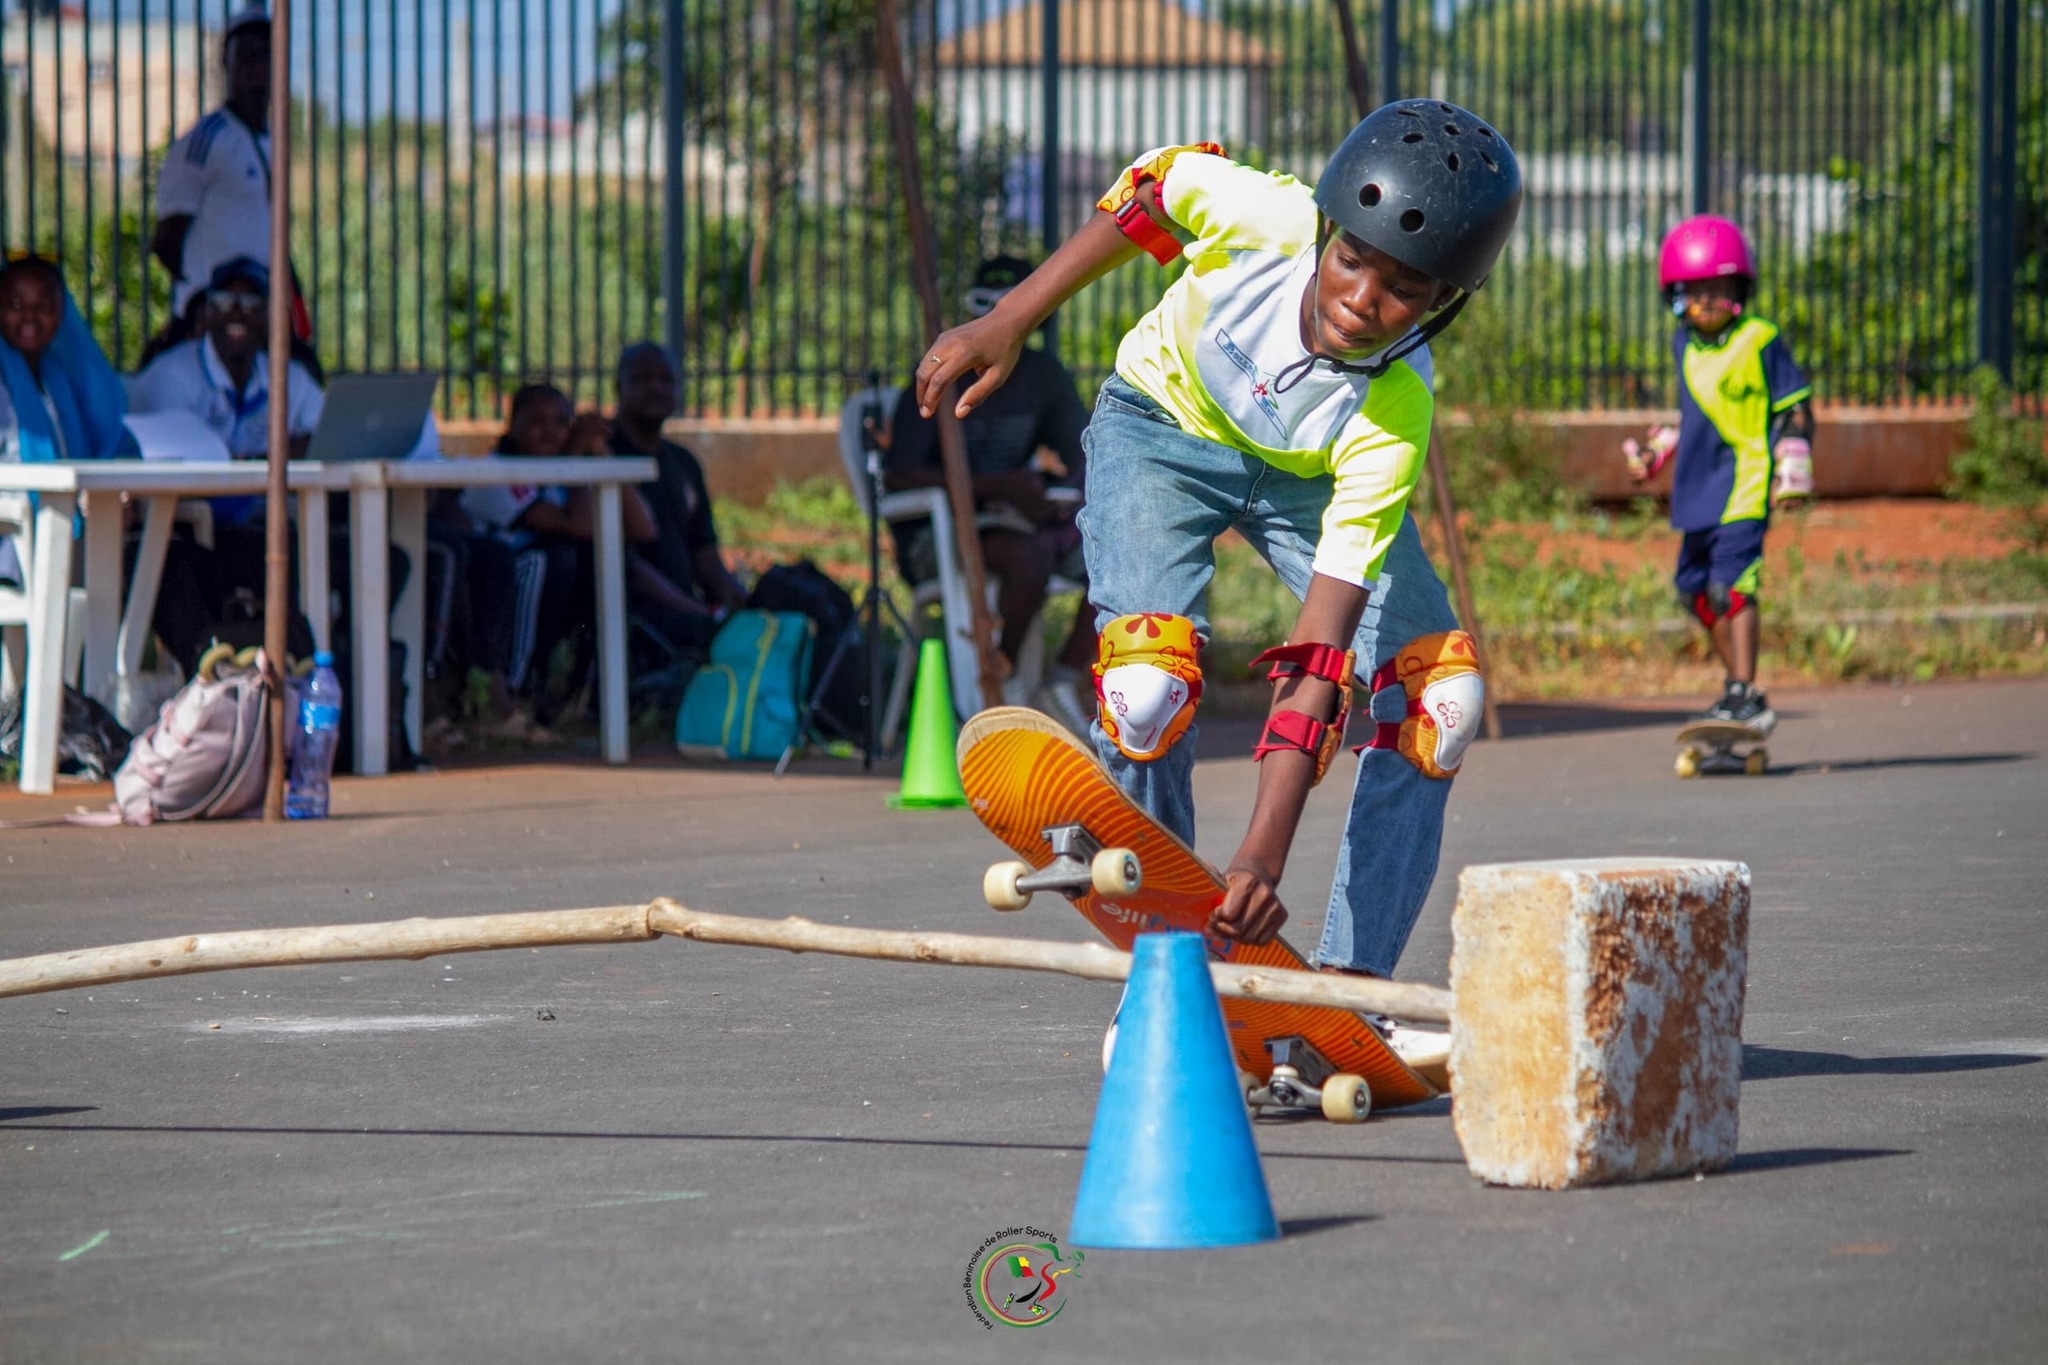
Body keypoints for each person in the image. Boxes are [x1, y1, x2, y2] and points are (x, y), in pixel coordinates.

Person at [913, 102, 1521, 981]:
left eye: (1405, 289)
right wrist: (1010, 318)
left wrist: (1261, 858)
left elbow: (1320, 658)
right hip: (1160, 428)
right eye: (1351, 259)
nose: (1361, 301)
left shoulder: (1394, 411)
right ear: (1324, 228)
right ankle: (1165, 954)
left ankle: (1348, 994)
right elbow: (1152, 191)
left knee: (1441, 699)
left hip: (1306, 478)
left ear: (1445, 303)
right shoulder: (1261, 218)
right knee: (1145, 686)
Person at [124, 256, 426, 673]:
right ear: (206, 309)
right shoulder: (172, 376)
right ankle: (286, 676)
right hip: (197, 535)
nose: (238, 311)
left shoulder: (289, 376)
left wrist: (281, 454)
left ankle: (342, 676)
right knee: (281, 563)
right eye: (226, 298)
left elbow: (327, 439)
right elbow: (178, 464)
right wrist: (280, 452)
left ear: (271, 316)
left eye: (252, 302)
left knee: (386, 559)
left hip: (272, 524)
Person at [882, 254, 1097, 735]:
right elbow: (899, 476)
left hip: (1019, 520)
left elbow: (1081, 450)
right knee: (1029, 558)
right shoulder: (941, 373)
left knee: (1112, 552)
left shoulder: (1043, 376)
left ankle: (1064, 678)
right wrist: (993, 488)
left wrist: (1065, 498)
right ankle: (1004, 675)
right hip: (943, 537)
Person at [1625, 214, 1814, 732]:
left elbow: (1795, 410)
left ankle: (1742, 692)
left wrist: (1793, 468)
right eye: (1695, 291)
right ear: (1676, 296)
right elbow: (1694, 418)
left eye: (1719, 289)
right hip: (1697, 490)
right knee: (1694, 592)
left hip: (1746, 484)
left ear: (1739, 289)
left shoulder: (1760, 339)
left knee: (1731, 588)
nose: (1706, 301)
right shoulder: (1682, 344)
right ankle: (1742, 693)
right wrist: (1656, 454)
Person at [144, 7, 313, 370]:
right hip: (214, 316)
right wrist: (202, 303)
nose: (257, 69)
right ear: (226, 64)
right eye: (246, 57)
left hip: (259, 312)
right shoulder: (206, 141)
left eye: (266, 56)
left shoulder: (271, 141)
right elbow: (167, 239)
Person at [0, 254, 136, 581]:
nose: (30, 316)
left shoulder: (59, 379)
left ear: (62, 310)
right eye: (16, 304)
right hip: (12, 536)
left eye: (44, 304)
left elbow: (110, 446)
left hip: (59, 530)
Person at [606, 341, 749, 623]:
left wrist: (744, 606)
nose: (655, 388)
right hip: (634, 617)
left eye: (665, 380)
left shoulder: (683, 462)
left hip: (688, 611)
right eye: (642, 379)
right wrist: (698, 615)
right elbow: (626, 567)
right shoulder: (601, 456)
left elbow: (704, 555)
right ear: (618, 386)